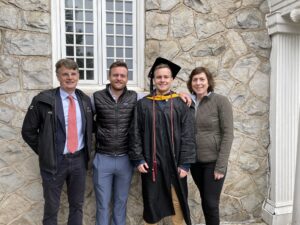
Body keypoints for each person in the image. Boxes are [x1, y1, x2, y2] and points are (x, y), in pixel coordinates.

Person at [21, 59, 93, 225]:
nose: (69, 77)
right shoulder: (43, 100)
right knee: (52, 208)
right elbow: (28, 131)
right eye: (65, 74)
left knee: (77, 206)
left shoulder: (85, 100)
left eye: (73, 74)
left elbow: (90, 129)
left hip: (78, 161)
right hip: (54, 162)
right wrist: (46, 150)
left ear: (78, 76)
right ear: (58, 76)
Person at [129, 57, 196, 225]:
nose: (162, 80)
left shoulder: (181, 104)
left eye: (166, 77)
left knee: (177, 202)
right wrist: (138, 159)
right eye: (159, 77)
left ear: (172, 79)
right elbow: (135, 132)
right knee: (152, 203)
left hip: (175, 164)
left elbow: (188, 135)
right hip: (152, 163)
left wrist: (185, 164)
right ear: (154, 79)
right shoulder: (143, 104)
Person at [187, 67, 234, 225]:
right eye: (195, 80)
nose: (198, 83)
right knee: (206, 201)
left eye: (202, 79)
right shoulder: (189, 102)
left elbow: (228, 134)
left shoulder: (220, 101)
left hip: (213, 163)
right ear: (191, 83)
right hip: (195, 163)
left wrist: (221, 166)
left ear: (208, 82)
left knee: (211, 204)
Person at [92, 61, 137, 225]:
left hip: (126, 159)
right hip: (103, 158)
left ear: (127, 78)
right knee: (102, 205)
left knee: (121, 203)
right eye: (115, 75)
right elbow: (86, 119)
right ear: (109, 76)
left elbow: (157, 96)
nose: (119, 78)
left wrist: (183, 95)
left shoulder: (134, 97)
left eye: (122, 75)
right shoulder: (97, 97)